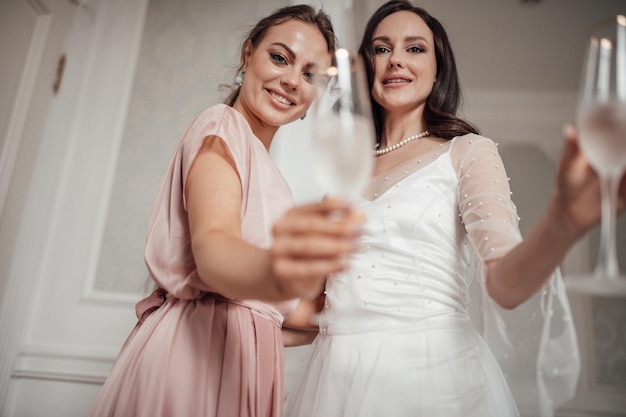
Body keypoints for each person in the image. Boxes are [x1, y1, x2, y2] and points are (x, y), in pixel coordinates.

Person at [283, 1, 626, 417]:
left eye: (414, 48)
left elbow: (504, 283)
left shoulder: (467, 153)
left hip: (434, 378)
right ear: (364, 66)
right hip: (334, 381)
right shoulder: (345, 170)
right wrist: (222, 310)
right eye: (381, 48)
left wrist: (563, 222)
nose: (395, 60)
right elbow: (313, 308)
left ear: (439, 66)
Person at [87, 5, 365, 417]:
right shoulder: (221, 126)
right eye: (279, 57)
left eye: (309, 74)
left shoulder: (271, 174)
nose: (291, 80)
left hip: (244, 367)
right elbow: (215, 255)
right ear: (246, 54)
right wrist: (287, 264)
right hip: (193, 363)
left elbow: (277, 311)